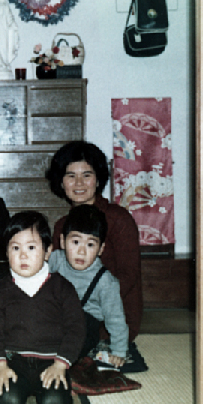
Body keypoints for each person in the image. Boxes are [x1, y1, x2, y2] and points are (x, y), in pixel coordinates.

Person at [0, 211, 85, 404]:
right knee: (9, 401)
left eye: (31, 247)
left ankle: (51, 387)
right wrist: (1, 366)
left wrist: (60, 365)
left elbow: (76, 329)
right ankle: (19, 386)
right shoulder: (1, 290)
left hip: (51, 363)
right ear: (6, 252)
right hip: (15, 363)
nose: (22, 255)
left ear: (47, 251)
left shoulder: (62, 288)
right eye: (15, 248)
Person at [45, 140, 143, 342]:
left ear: (98, 180)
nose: (79, 183)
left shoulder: (118, 218)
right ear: (61, 182)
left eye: (86, 175)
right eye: (71, 176)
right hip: (72, 311)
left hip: (110, 314)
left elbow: (129, 274)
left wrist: (87, 305)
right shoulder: (62, 225)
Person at [48, 205, 128, 368]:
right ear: (62, 242)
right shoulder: (55, 259)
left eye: (90, 245)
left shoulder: (105, 281)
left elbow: (116, 319)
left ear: (101, 249)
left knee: (78, 341)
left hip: (83, 324)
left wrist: (119, 352)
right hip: (55, 316)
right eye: (75, 242)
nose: (82, 252)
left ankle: (59, 357)